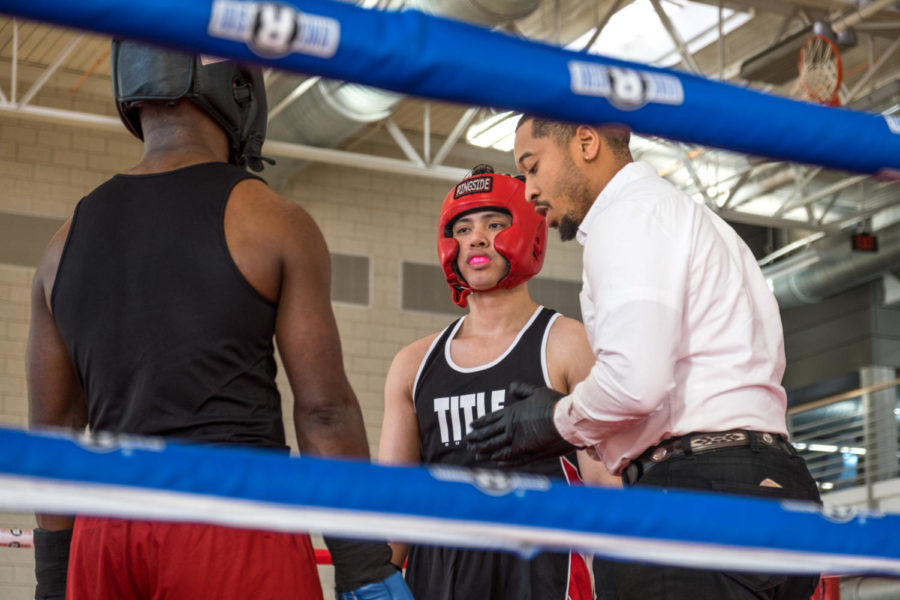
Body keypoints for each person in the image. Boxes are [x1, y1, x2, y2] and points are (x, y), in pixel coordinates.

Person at [25, 39, 411, 600]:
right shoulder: (273, 220)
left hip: (105, 530)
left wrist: (54, 580)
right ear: (238, 86)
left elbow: (53, 434)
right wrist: (363, 565)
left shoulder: (60, 246)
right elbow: (323, 409)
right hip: (229, 512)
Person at [467, 117, 822, 600]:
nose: (529, 191)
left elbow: (636, 382)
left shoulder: (627, 217)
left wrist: (555, 420)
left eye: (533, 167)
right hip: (778, 485)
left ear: (586, 141)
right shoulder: (692, 218)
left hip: (693, 495)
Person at [379, 164, 619, 600]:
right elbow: (396, 499)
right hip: (439, 576)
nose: (476, 238)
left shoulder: (565, 343)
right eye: (463, 227)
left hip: (542, 572)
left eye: (495, 224)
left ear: (528, 231)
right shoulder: (413, 364)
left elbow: (605, 484)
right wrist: (372, 577)